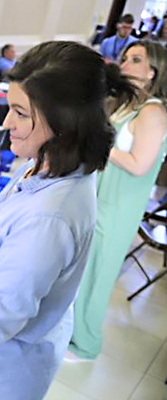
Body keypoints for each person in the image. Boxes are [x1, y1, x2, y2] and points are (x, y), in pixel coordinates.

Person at [0, 41, 138, 400]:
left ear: (63, 120)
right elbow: (21, 244)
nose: (7, 123)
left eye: (20, 113)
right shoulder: (52, 168)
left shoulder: (52, 214)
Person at [70, 40, 167, 361]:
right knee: (82, 269)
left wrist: (99, 143)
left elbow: (140, 164)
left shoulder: (154, 112)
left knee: (99, 274)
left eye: (135, 59)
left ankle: (86, 345)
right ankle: (69, 334)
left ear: (153, 71)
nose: (124, 63)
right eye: (125, 57)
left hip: (119, 204)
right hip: (99, 195)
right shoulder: (127, 105)